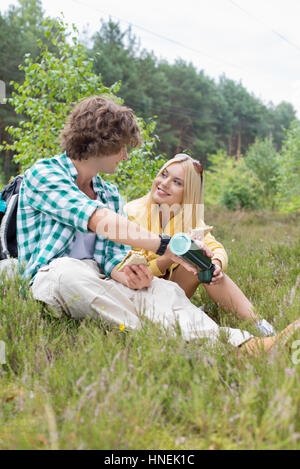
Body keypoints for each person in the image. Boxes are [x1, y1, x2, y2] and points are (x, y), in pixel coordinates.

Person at [16, 96, 299, 355]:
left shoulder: (109, 193)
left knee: (164, 291)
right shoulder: (45, 173)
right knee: (70, 273)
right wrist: (165, 246)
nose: (125, 156)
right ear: (102, 141)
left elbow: (109, 255)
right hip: (50, 275)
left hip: (100, 278)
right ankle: (180, 338)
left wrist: (125, 274)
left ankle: (245, 345)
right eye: (122, 147)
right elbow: (100, 221)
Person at [125, 153, 275, 336]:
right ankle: (191, 322)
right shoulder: (130, 214)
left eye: (177, 182)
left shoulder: (190, 220)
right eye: (164, 174)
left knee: (208, 267)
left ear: (188, 192)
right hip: (138, 291)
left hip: (173, 289)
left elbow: (216, 248)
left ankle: (263, 327)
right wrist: (166, 259)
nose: (164, 183)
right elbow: (128, 272)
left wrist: (217, 264)